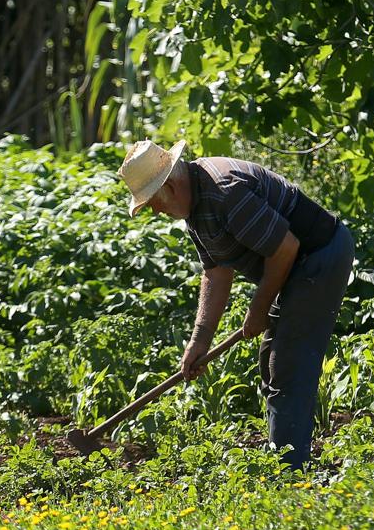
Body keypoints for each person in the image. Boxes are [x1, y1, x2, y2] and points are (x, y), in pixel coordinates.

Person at [118, 139, 355, 469]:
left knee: (287, 361)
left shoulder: (225, 192)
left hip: (320, 257)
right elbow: (216, 273)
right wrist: (199, 342)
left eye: (154, 203)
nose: (156, 211)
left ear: (170, 186)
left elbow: (285, 248)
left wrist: (258, 310)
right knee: (273, 361)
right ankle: (285, 458)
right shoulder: (195, 207)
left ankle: (289, 470)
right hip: (295, 266)